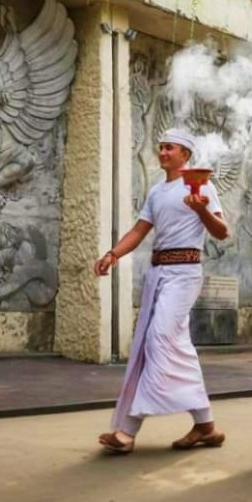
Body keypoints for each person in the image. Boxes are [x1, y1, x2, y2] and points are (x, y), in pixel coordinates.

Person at [94, 129, 229, 455]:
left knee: (158, 339)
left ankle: (128, 430)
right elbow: (139, 232)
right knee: (172, 344)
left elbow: (223, 232)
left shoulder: (203, 186)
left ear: (185, 154)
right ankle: (205, 425)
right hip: (158, 274)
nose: (163, 152)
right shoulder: (157, 192)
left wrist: (200, 210)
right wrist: (113, 254)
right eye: (161, 147)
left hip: (185, 273)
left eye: (169, 148)